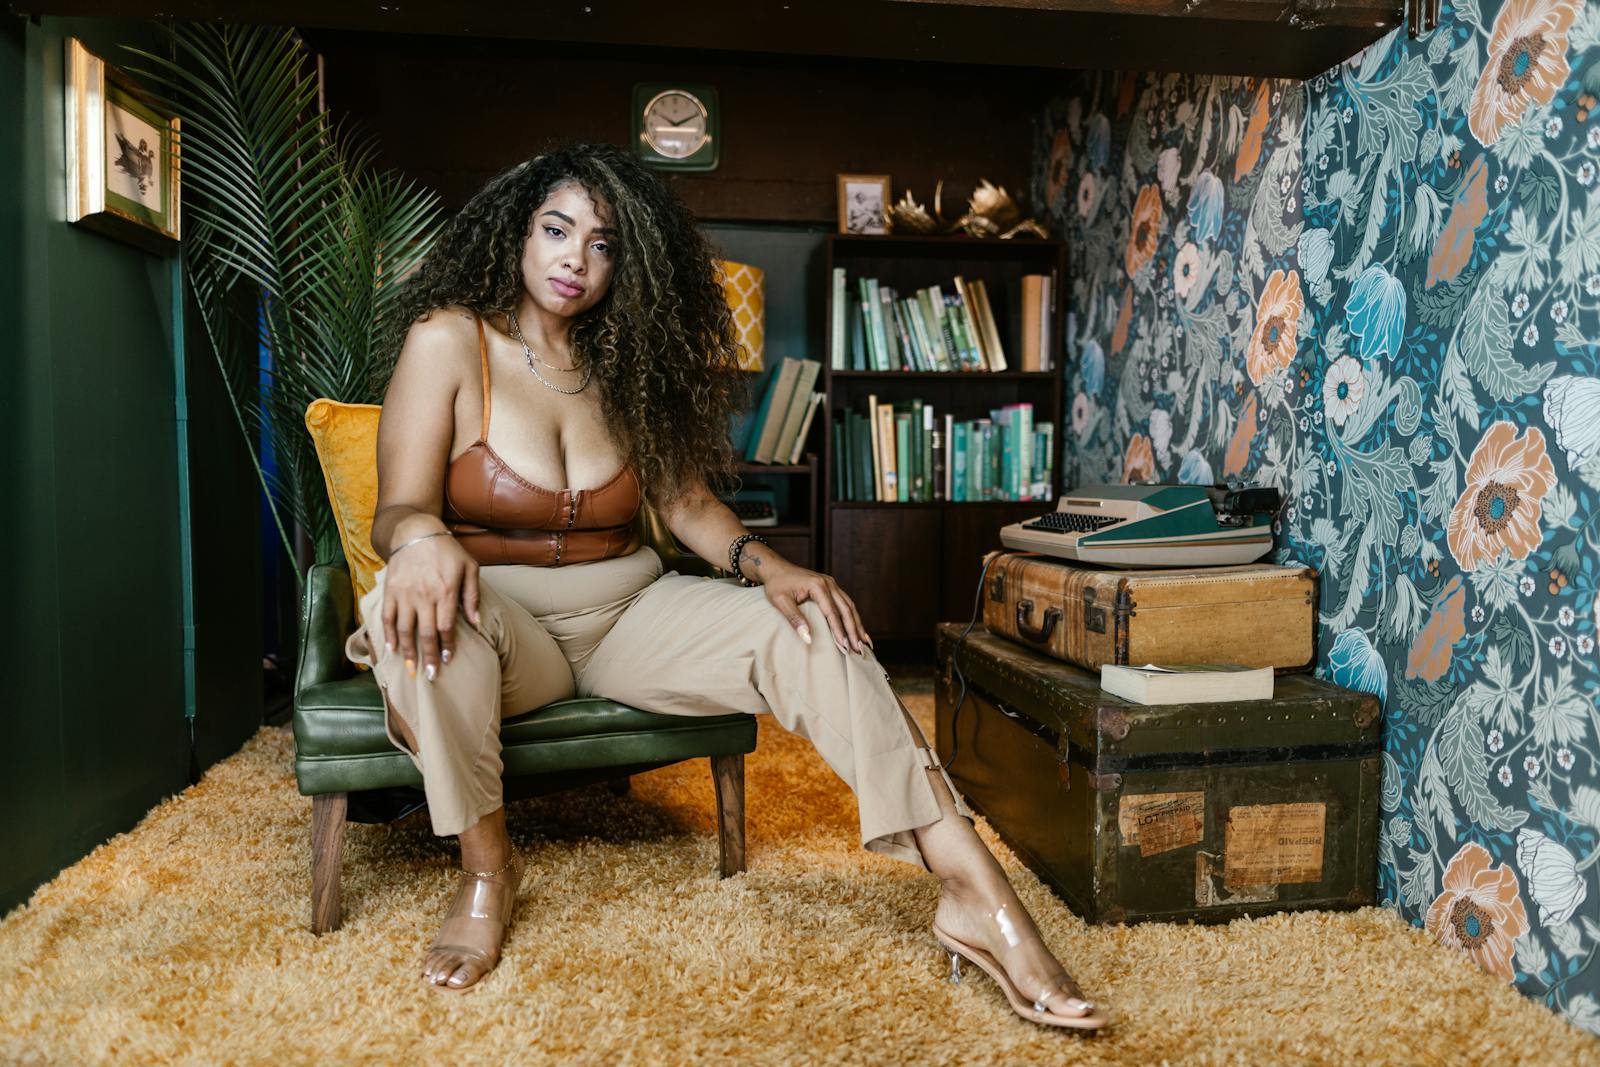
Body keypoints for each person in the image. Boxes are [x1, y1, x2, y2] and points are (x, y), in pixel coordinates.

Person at [348, 141, 1107, 1030]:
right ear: (517, 234)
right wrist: (425, 537)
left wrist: (773, 567)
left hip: (631, 610)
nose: (575, 260)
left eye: (603, 245)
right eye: (557, 231)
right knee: (413, 625)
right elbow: (395, 506)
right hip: (503, 621)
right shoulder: (448, 339)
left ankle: (977, 894)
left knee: (819, 628)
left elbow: (685, 502)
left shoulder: (625, 364)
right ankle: (487, 872)